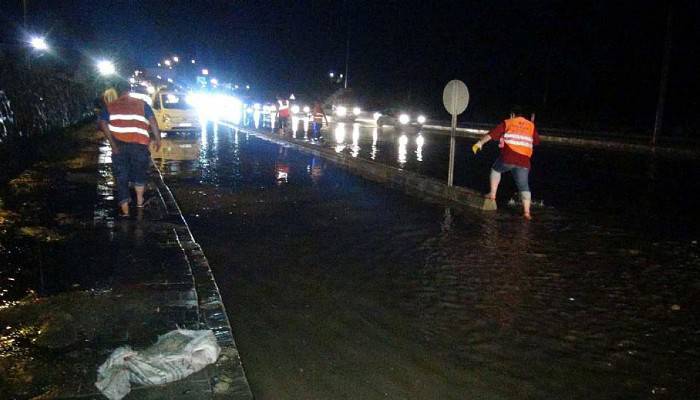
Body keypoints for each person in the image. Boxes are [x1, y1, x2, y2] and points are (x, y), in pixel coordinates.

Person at [98, 80, 161, 217]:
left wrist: (113, 144)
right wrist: (157, 139)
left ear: (117, 91)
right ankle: (139, 201)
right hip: (139, 145)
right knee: (140, 173)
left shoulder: (110, 106)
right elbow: (153, 121)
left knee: (121, 176)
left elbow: (102, 123)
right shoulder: (142, 104)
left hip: (119, 146)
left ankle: (125, 210)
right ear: (129, 90)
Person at [472, 107, 540, 220]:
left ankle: (493, 195)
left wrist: (479, 143)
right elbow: (537, 142)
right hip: (524, 162)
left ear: (512, 114)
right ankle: (527, 213)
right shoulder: (531, 126)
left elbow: (492, 134)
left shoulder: (508, 122)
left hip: (508, 158)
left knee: (495, 169)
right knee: (524, 186)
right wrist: (531, 126)